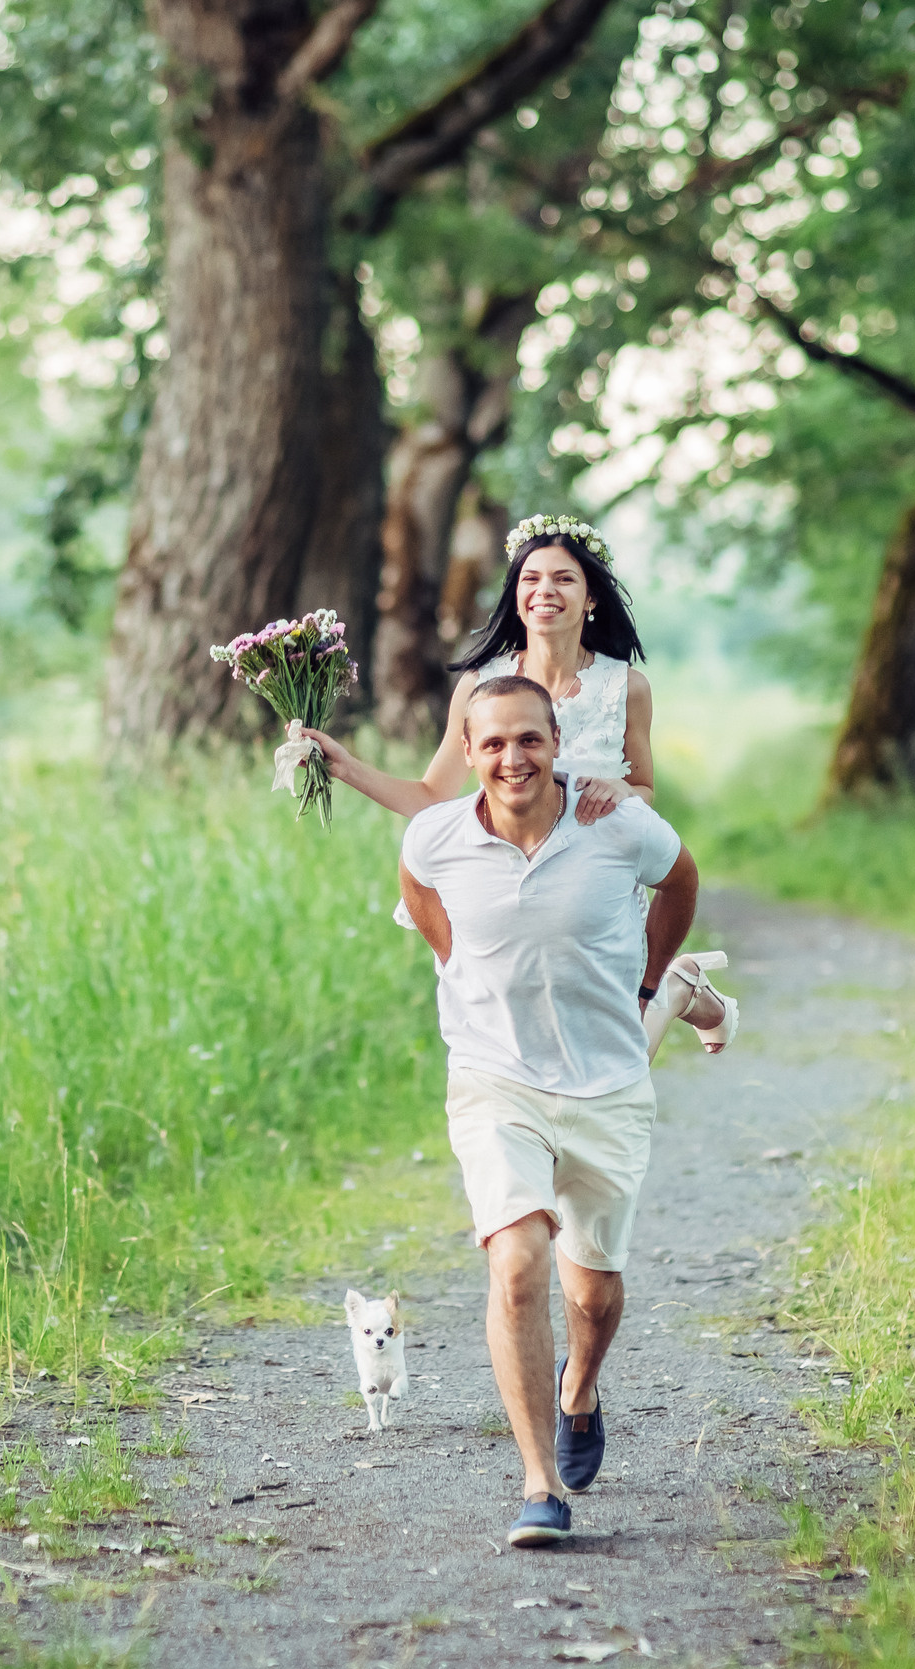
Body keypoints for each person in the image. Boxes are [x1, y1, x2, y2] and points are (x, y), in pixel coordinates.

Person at [396, 672, 703, 1547]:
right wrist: (458, 965)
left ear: (558, 742)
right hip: (496, 1080)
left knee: (594, 1294)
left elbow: (680, 879)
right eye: (491, 742)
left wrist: (648, 978)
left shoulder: (614, 824)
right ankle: (538, 1484)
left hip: (606, 1086)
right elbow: (420, 895)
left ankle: (581, 1387)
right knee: (519, 1263)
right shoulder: (436, 836)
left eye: (528, 739)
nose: (511, 757)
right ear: (467, 750)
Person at [296, 513, 732, 1048]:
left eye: (564, 578)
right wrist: (345, 766)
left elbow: (643, 787)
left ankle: (679, 986)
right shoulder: (482, 687)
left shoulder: (626, 687)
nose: (545, 590)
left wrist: (620, 790)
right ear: (516, 593)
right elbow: (433, 797)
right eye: (531, 578)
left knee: (621, 1059)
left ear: (591, 597)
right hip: (508, 887)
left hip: (595, 891)